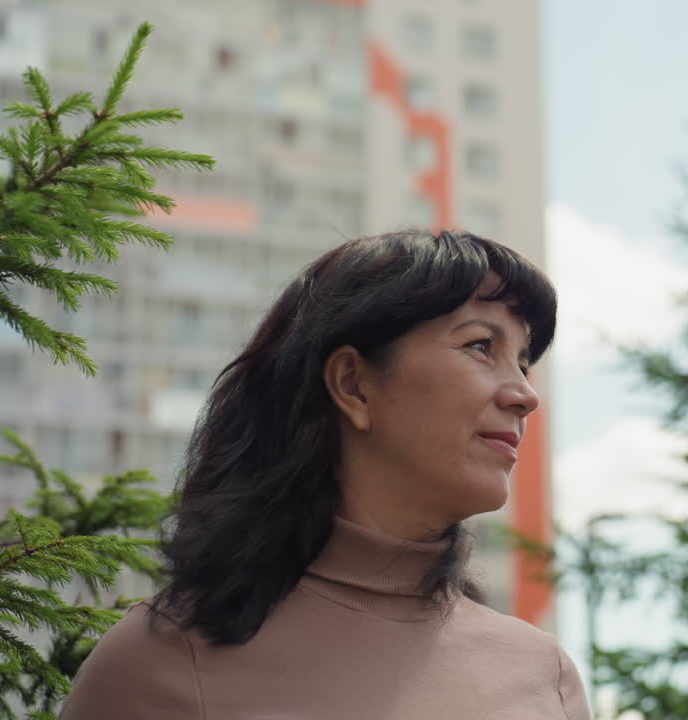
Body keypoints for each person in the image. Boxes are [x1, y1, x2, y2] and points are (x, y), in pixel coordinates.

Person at [59, 230, 591, 719]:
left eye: (523, 362)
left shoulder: (544, 675)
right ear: (353, 385)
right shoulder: (161, 663)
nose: (525, 394)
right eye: (481, 346)